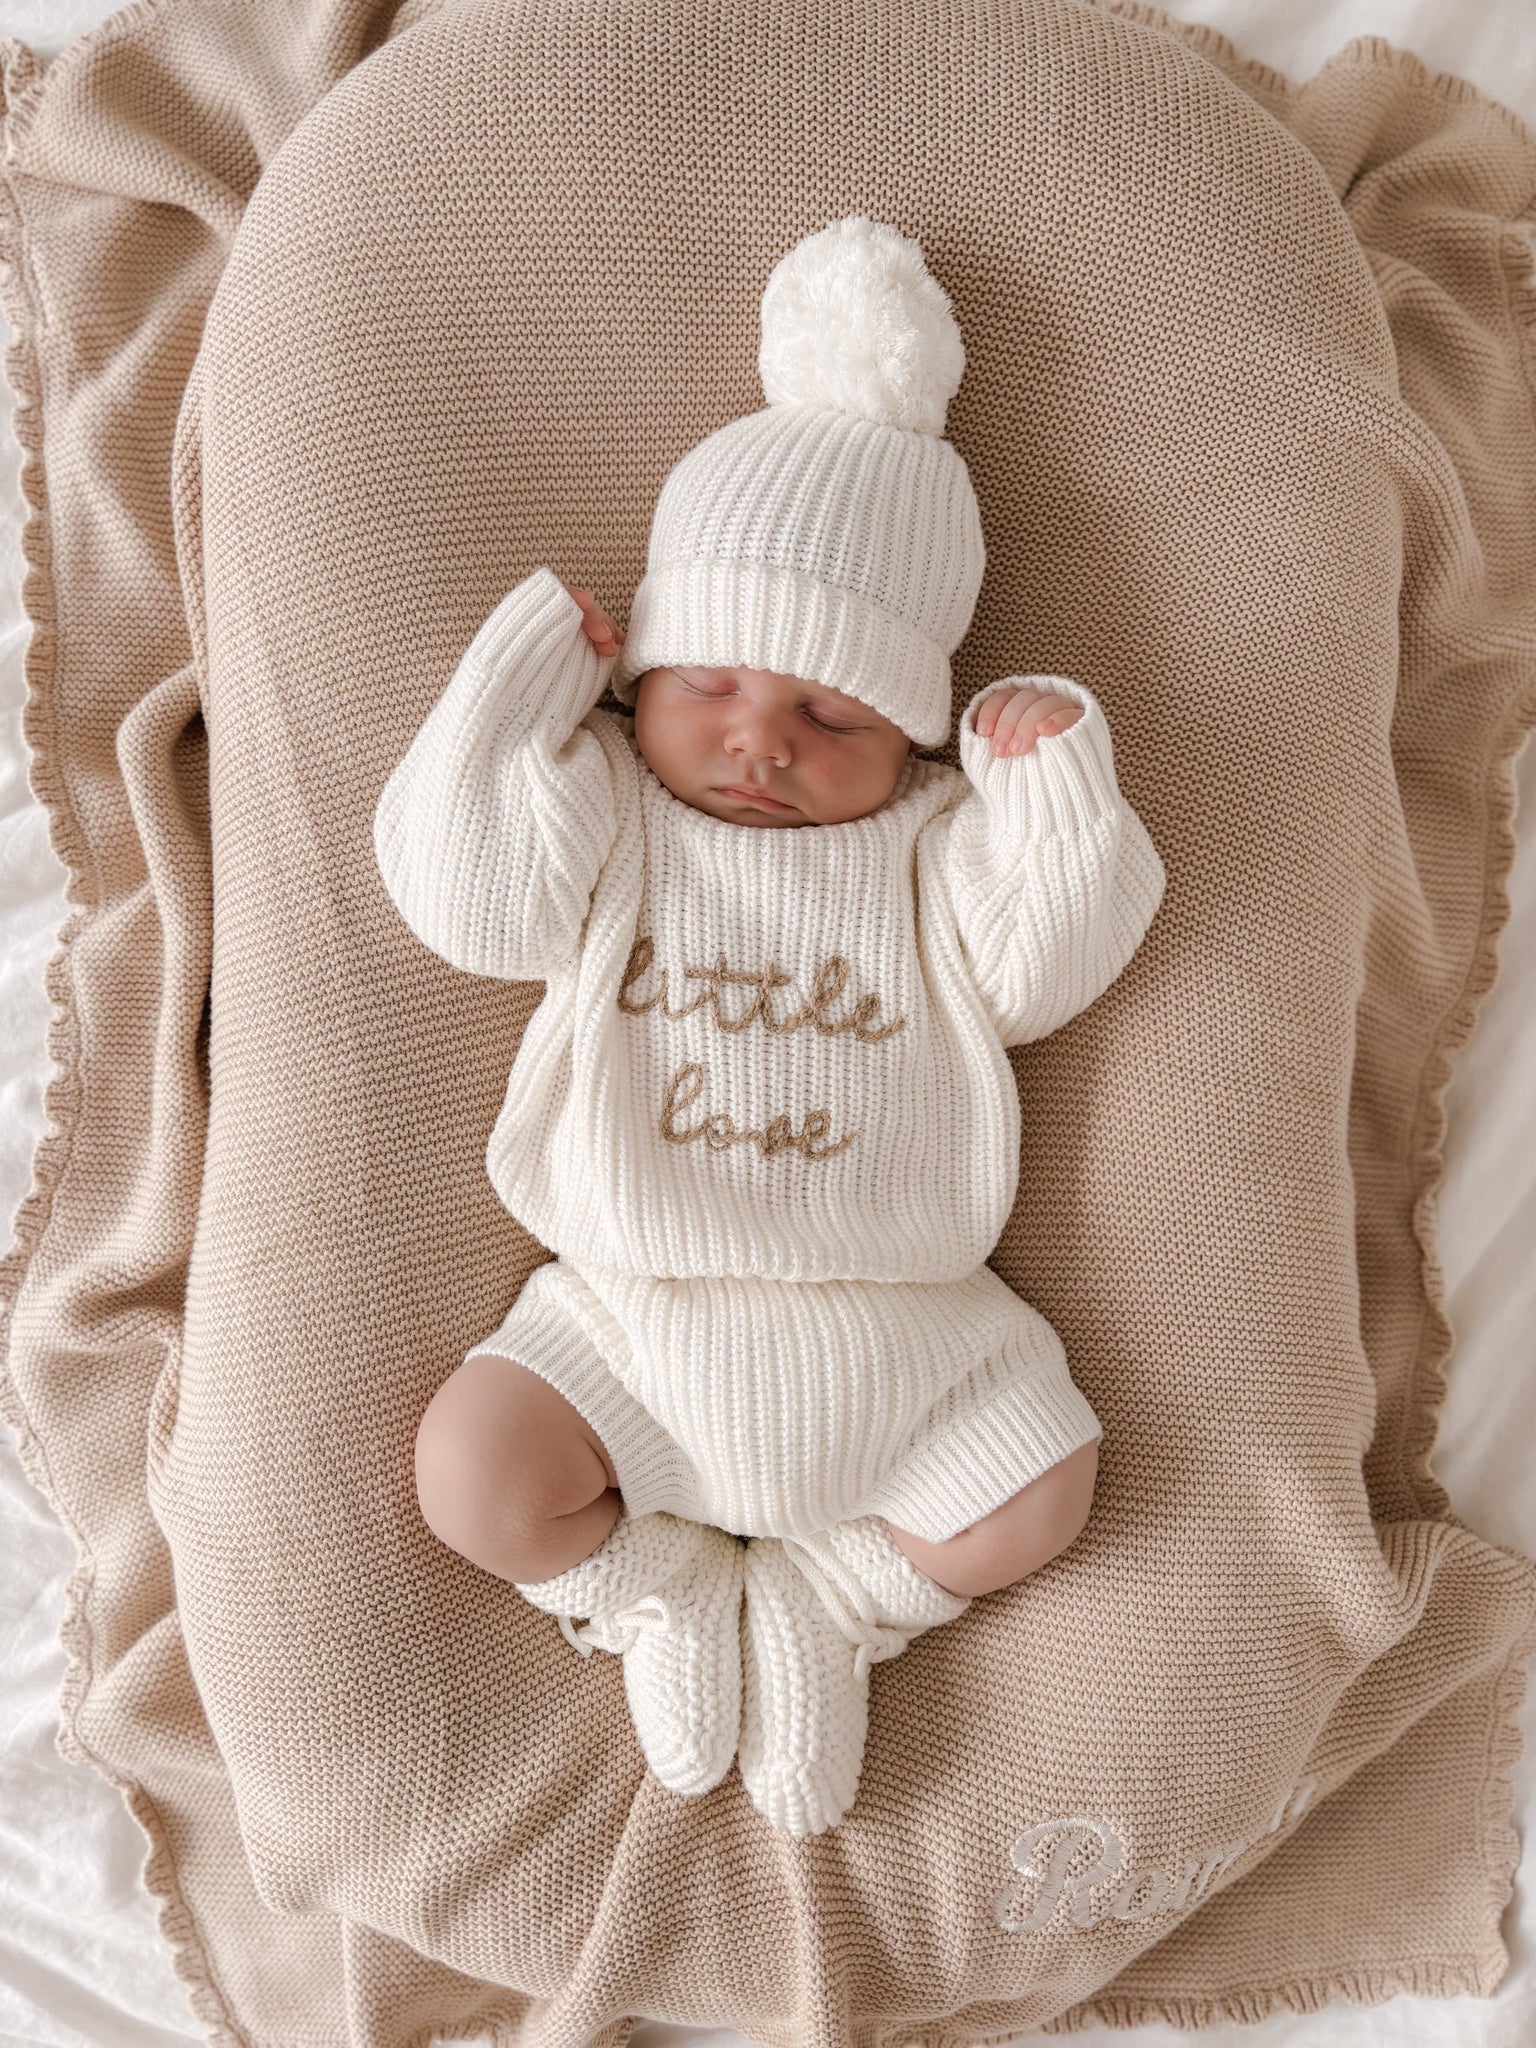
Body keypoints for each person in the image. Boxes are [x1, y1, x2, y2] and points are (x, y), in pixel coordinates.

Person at [374, 215, 1166, 1838]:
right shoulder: (609, 817)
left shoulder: (936, 849)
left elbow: (1051, 962)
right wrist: (514, 695)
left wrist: (1051, 791)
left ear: (912, 732)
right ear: (642, 677)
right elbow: (462, 901)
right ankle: (654, 1590)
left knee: (1045, 1484)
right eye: (712, 685)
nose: (761, 743)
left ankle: (838, 1603)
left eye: (831, 711)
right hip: (627, 1319)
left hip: (909, 1333)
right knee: (472, 1472)